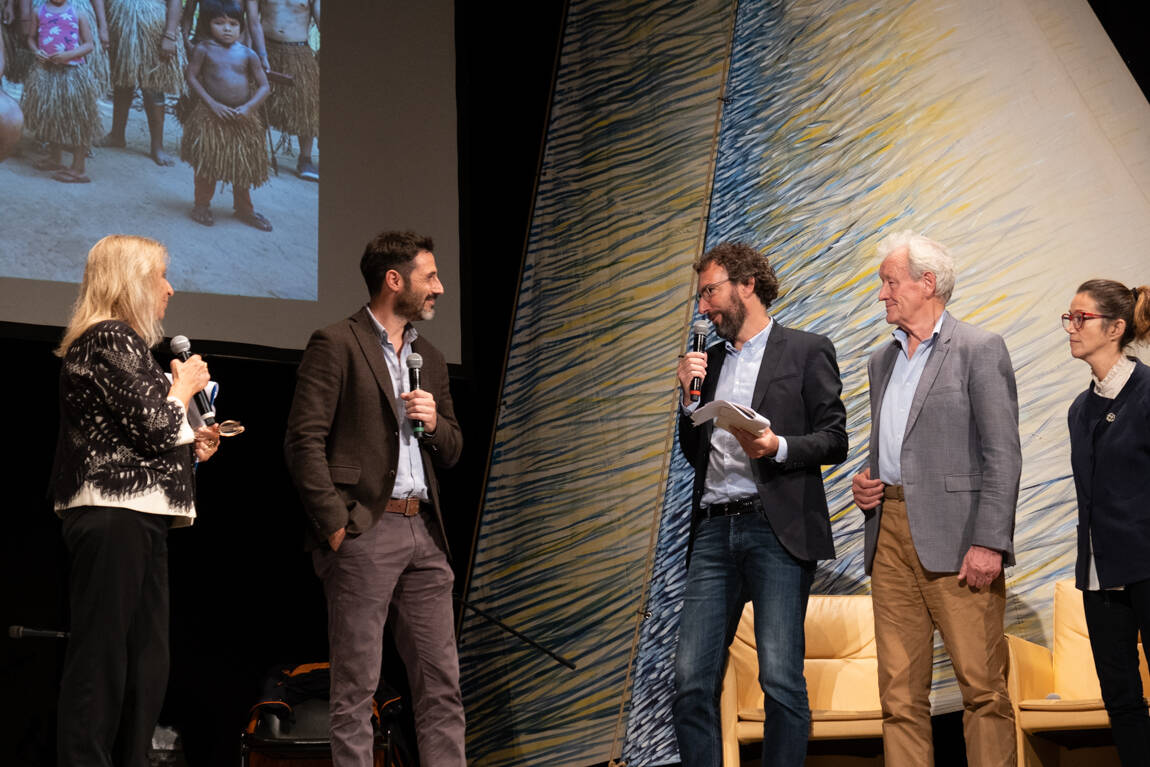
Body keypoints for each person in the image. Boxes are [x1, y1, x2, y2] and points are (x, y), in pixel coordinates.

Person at [284, 230, 465, 767]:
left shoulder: (428, 356)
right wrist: (338, 526)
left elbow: (453, 449)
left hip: (424, 534)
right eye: (429, 277)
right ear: (394, 280)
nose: (439, 288)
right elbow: (302, 442)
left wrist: (434, 424)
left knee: (441, 688)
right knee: (355, 691)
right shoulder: (337, 342)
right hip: (365, 529)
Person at [673, 241, 848, 766]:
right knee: (690, 681)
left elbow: (834, 439)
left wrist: (779, 446)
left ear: (746, 285)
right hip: (712, 530)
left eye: (710, 291)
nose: (703, 307)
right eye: (701, 296)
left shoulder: (806, 349)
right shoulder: (711, 362)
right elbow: (694, 453)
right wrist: (689, 401)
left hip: (776, 529)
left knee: (779, 679)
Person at [850, 230, 1020, 766]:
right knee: (898, 696)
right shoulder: (882, 360)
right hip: (890, 534)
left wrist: (989, 542)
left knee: (983, 689)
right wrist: (867, 479)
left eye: (890, 282)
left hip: (959, 537)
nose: (882, 294)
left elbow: (1002, 455)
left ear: (928, 284)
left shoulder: (978, 347)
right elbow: (901, 445)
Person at [50, 234, 220, 767]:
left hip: (142, 517)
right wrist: (185, 386)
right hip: (112, 515)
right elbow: (151, 426)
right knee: (102, 660)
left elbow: (145, 436)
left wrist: (195, 446)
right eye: (160, 278)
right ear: (131, 283)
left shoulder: (126, 347)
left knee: (147, 662)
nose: (170, 289)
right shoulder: (107, 338)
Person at [1064, 279, 1150, 766]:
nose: (1072, 328)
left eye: (1082, 318)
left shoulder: (1147, 393)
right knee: (1121, 699)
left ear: (1116, 328)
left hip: (1145, 563)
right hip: (1099, 574)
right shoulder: (1080, 409)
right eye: (1069, 318)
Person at [181, 0, 271, 230]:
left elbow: (264, 87)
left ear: (241, 27)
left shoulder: (248, 54)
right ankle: (201, 204)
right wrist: (211, 104)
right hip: (211, 115)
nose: (227, 28)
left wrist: (248, 108)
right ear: (208, 24)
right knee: (207, 162)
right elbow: (191, 77)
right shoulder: (204, 49)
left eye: (232, 23)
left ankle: (244, 208)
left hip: (242, 117)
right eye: (219, 23)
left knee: (242, 166)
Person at [20, 0, 100, 182]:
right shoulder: (37, 11)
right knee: (52, 115)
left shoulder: (78, 13)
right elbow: (31, 38)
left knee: (77, 119)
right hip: (47, 74)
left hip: (72, 74)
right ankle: (55, 157)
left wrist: (69, 55)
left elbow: (89, 45)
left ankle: (79, 169)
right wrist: (36, 51)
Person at [99, 0, 184, 165]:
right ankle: (117, 134)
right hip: (121, 20)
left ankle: (157, 145)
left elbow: (175, 2)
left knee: (152, 84)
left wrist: (170, 34)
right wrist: (104, 24)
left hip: (153, 24)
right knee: (122, 80)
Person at [258, 0, 319, 180]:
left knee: (306, 105)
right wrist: (257, 53)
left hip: (299, 52)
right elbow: (252, 20)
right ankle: (258, 151)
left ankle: (306, 159)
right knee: (260, 102)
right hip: (266, 48)